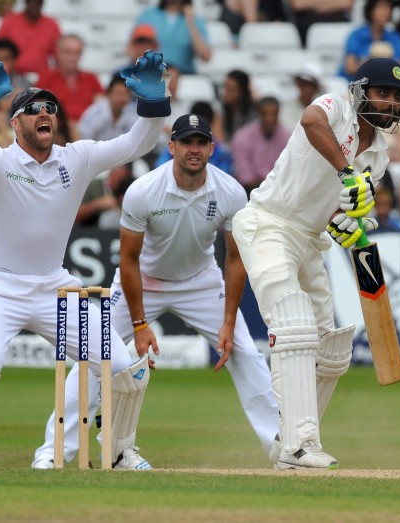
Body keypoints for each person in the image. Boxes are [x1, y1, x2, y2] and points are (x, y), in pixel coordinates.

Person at [0, 50, 171, 469]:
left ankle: (118, 452)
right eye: (32, 109)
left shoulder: (76, 158)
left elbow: (137, 143)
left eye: (50, 107)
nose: (44, 112)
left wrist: (154, 102)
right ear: (14, 124)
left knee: (127, 371)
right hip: (0, 287)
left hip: (54, 288)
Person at [32, 113, 280, 469]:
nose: (193, 150)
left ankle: (283, 449)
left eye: (200, 143)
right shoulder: (144, 190)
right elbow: (129, 261)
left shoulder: (231, 192)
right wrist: (139, 324)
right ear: (172, 147)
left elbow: (236, 259)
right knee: (94, 357)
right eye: (186, 142)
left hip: (201, 282)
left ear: (212, 148)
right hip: (143, 281)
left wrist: (228, 323)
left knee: (246, 354)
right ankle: (53, 453)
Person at [231, 57, 400, 469]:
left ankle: (287, 440)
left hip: (310, 241)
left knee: (332, 350)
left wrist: (350, 226)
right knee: (292, 321)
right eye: (383, 93)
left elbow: (348, 213)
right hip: (268, 223)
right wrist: (348, 174)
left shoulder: (380, 157)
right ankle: (301, 445)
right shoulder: (334, 107)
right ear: (362, 90)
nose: (389, 103)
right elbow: (312, 122)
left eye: (397, 97)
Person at [35, 34, 105, 124]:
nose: (73, 57)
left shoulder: (91, 78)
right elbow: (42, 107)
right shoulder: (46, 77)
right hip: (59, 128)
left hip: (87, 128)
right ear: (58, 53)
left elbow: (102, 108)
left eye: (77, 53)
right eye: (67, 52)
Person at [231, 96, 291, 195]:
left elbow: (289, 174)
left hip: (280, 192)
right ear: (259, 114)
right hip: (249, 192)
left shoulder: (288, 138)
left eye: (274, 114)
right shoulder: (242, 138)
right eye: (266, 114)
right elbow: (246, 179)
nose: (270, 119)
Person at [134, 0, 213, 74]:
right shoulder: (148, 15)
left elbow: (205, 56)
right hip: (151, 75)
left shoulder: (195, 20)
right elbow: (131, 49)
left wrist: (191, 23)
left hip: (182, 77)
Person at [340, 0, 400, 82]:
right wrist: (380, 64)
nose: (387, 11)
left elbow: (399, 69)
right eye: (382, 7)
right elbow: (350, 68)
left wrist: (367, 64)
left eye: (389, 7)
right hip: (354, 83)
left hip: (384, 85)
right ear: (371, 10)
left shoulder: (396, 38)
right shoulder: (357, 35)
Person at [0, 0, 61, 75]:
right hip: (13, 76)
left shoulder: (52, 25)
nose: (33, 4)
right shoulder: (9, 21)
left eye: (37, 1)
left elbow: (59, 56)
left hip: (41, 77)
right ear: (25, 2)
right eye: (29, 1)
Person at [78, 74, 137, 142]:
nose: (121, 98)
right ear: (108, 94)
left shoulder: (133, 113)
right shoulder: (95, 114)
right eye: (118, 94)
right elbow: (82, 141)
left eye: (125, 94)